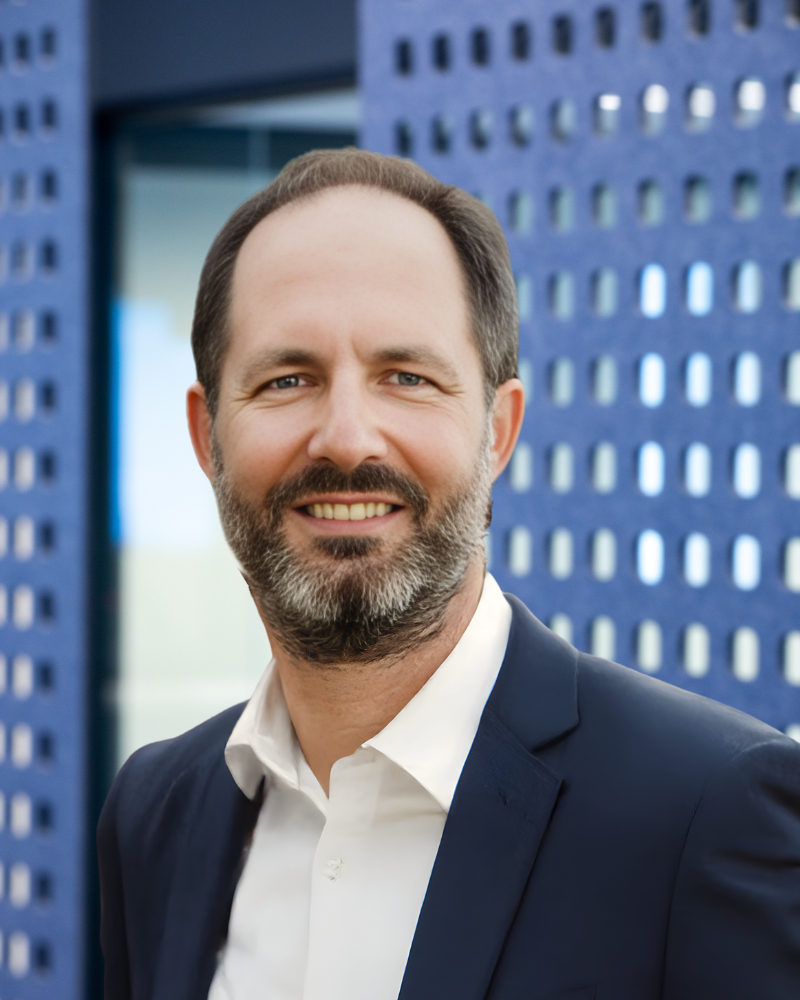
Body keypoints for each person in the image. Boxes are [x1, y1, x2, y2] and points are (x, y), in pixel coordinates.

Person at [98, 149, 800, 1000]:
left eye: (407, 377)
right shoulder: (153, 813)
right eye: (287, 379)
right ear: (206, 437)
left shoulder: (705, 813)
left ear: (497, 432)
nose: (346, 438)